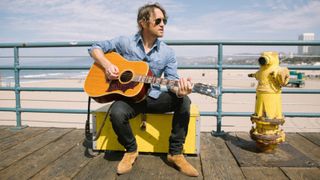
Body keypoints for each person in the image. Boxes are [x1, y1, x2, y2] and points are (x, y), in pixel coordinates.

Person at [88, 3, 199, 177]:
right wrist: (107, 65)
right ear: (143, 22)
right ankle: (131, 150)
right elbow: (94, 47)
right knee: (116, 113)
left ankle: (175, 153)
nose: (163, 24)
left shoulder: (167, 52)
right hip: (131, 99)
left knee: (184, 101)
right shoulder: (125, 42)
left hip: (154, 97)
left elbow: (171, 81)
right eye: (158, 20)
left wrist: (180, 90)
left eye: (165, 21)